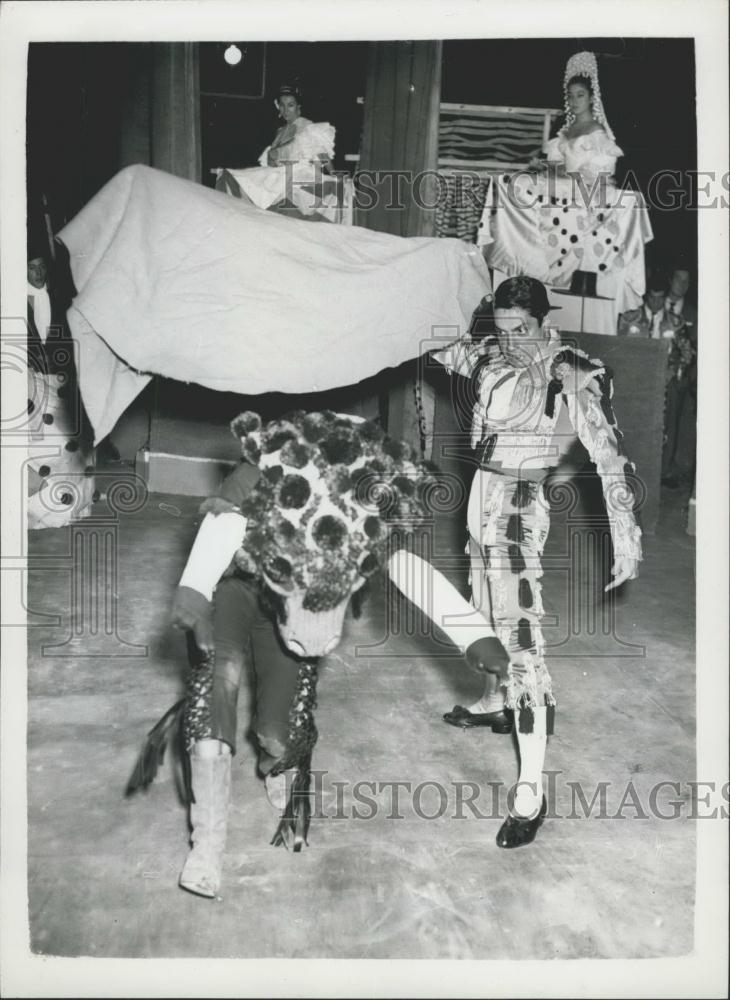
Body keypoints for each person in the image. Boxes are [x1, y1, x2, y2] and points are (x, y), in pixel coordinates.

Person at [429, 275, 642, 846]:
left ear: (544, 324)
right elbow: (436, 347)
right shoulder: (487, 357)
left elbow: (607, 448)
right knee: (479, 613)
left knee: (522, 644)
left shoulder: (565, 365)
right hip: (481, 499)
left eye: (521, 331)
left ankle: (531, 789)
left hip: (519, 510)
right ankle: (498, 701)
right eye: (501, 333)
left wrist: (625, 534)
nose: (510, 343)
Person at [535, 51, 624, 187]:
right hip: (559, 189)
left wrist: (562, 172)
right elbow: (553, 163)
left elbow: (598, 174)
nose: (574, 101)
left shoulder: (596, 131)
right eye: (570, 96)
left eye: (580, 95)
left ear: (591, 98)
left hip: (582, 194)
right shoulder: (565, 130)